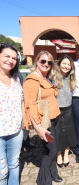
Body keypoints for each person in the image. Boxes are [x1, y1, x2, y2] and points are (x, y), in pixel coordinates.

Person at [23, 51, 62, 184]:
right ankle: (42, 181)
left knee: (51, 148)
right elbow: (29, 105)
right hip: (45, 122)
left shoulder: (46, 77)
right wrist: (38, 128)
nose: (46, 64)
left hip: (55, 118)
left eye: (49, 62)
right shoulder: (32, 80)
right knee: (52, 152)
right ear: (37, 61)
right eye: (43, 61)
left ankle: (53, 173)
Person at [0, 43, 23, 185]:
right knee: (2, 171)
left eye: (14, 58)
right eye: (7, 56)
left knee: (14, 165)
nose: (10, 60)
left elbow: (22, 101)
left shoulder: (17, 78)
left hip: (15, 131)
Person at [54, 55, 78, 168]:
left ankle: (66, 153)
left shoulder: (71, 78)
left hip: (68, 108)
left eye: (68, 64)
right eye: (64, 63)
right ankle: (58, 154)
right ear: (59, 64)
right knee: (58, 133)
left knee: (68, 132)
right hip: (56, 109)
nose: (66, 66)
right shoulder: (53, 77)